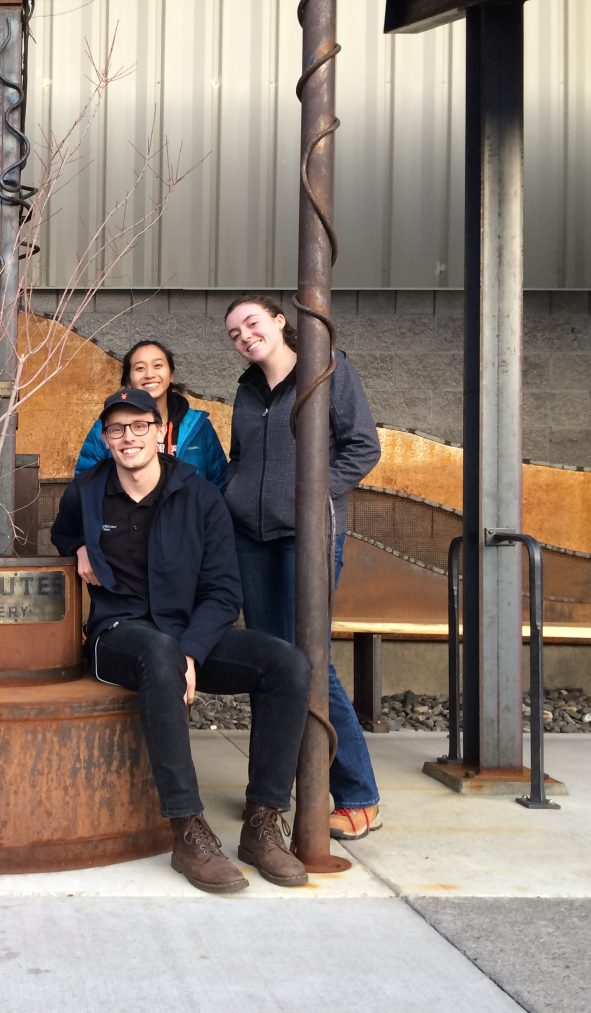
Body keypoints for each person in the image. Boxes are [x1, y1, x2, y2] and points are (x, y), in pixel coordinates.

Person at [52, 388, 312, 893]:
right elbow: (62, 533)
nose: (129, 438)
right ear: (105, 439)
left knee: (286, 664)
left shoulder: (199, 496)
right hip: (119, 636)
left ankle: (262, 823)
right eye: (117, 429)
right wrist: (79, 545)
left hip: (188, 635)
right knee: (158, 651)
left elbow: (223, 592)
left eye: (139, 426)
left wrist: (191, 650)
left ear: (160, 432)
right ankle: (187, 829)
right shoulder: (84, 491)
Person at [222, 295, 384, 840]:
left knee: (310, 661)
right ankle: (272, 792)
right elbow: (240, 458)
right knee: (269, 667)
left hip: (307, 540)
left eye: (252, 323)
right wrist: (232, 498)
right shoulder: (246, 390)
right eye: (234, 334)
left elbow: (363, 448)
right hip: (250, 539)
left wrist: (312, 498)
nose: (244, 337)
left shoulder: (328, 371)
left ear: (279, 321)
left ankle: (358, 793)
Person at [74, 339, 227, 489]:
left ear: (171, 375)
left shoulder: (199, 426)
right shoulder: (106, 428)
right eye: (140, 368)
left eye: (158, 365)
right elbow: (85, 485)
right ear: (128, 381)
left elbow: (218, 483)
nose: (149, 374)